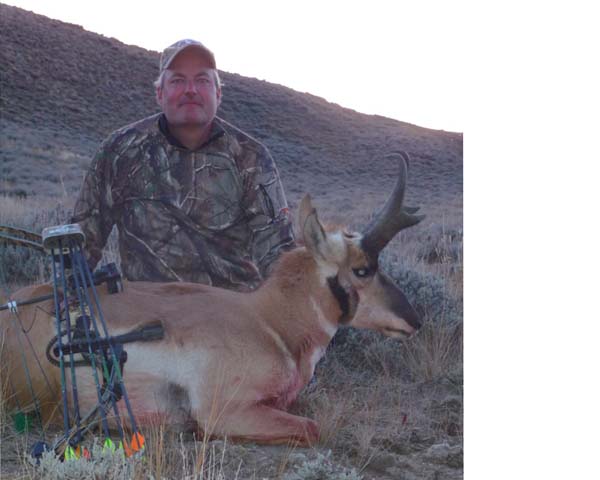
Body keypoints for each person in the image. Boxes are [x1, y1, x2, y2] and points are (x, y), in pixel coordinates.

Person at [72, 39, 294, 291]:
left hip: (231, 316)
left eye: (202, 80)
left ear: (218, 94)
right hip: (146, 316)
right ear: (159, 94)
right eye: (178, 80)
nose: (191, 90)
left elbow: (278, 254)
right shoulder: (119, 150)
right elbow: (81, 241)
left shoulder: (251, 157)